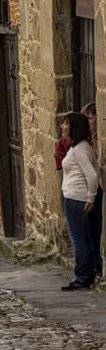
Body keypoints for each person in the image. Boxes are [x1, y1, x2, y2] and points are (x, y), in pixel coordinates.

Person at [60, 112, 99, 290]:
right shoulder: (79, 147)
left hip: (77, 198)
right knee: (85, 237)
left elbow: (92, 174)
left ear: (74, 127)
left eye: (66, 123)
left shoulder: (80, 150)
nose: (62, 126)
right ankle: (89, 271)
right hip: (76, 196)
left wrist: (91, 196)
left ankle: (83, 275)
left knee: (79, 239)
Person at [82, 102, 102, 278]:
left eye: (91, 117)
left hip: (98, 189)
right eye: (87, 118)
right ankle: (94, 261)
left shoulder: (98, 140)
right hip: (88, 190)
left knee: (97, 226)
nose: (89, 122)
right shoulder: (85, 141)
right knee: (90, 228)